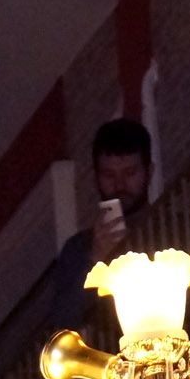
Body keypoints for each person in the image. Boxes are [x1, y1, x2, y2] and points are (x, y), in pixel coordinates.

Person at [42, 117, 154, 342]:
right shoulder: (78, 248)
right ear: (97, 178)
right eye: (109, 175)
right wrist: (95, 259)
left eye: (130, 173)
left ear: (149, 172)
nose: (119, 185)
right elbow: (62, 324)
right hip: (108, 371)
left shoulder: (181, 229)